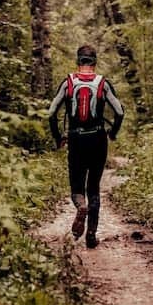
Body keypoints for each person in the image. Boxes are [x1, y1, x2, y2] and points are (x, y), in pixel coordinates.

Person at [48, 45, 125, 248]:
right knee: (94, 188)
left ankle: (80, 206)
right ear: (95, 62)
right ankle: (91, 235)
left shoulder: (68, 83)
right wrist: (113, 133)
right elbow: (119, 112)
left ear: (78, 61)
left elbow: (51, 113)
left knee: (77, 186)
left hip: (76, 139)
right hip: (98, 139)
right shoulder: (103, 83)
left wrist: (58, 137)